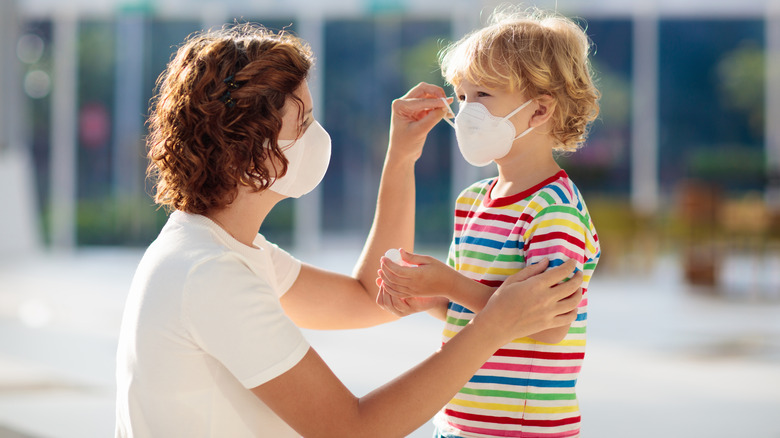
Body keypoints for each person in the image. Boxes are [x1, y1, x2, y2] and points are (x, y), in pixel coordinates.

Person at [114, 23, 585, 438]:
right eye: (305, 122)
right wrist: (495, 323)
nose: (319, 136)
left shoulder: (225, 250)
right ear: (254, 153)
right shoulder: (210, 274)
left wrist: (401, 158)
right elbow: (353, 431)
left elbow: (366, 297)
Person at [376, 7, 601, 438]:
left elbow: (552, 325)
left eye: (482, 96)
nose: (465, 112)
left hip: (523, 430)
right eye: (460, 97)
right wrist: (423, 297)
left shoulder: (554, 211)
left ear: (538, 112)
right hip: (457, 421)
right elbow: (467, 309)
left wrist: (447, 283)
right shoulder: (473, 201)